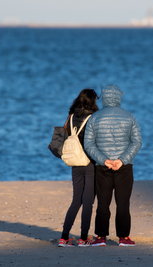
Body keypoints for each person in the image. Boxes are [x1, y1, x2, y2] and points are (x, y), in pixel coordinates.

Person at [84, 85, 142, 247]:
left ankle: (101, 237)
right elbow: (136, 142)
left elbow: (89, 144)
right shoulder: (129, 117)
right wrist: (122, 160)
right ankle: (124, 238)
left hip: (103, 167)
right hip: (124, 167)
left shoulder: (95, 118)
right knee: (123, 203)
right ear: (118, 97)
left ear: (105, 98)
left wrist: (104, 160)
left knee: (103, 203)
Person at [58, 89, 99, 247]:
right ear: (92, 100)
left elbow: (66, 135)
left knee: (76, 201)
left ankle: (64, 237)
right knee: (87, 202)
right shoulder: (93, 118)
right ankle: (83, 238)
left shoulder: (71, 116)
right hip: (89, 163)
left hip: (74, 162)